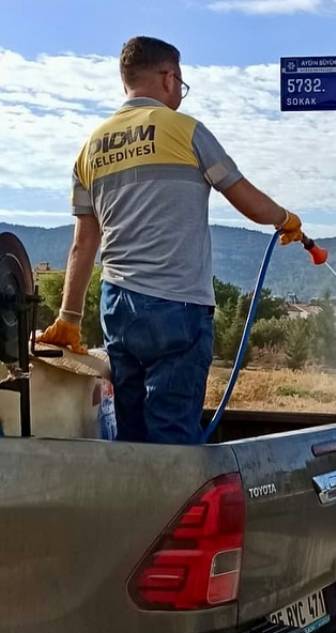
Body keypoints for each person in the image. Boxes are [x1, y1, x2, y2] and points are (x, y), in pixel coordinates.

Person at [39, 36, 304, 444]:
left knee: (132, 431)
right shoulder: (187, 131)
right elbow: (244, 196)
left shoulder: (89, 149)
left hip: (119, 309)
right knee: (173, 435)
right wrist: (286, 219)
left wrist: (69, 319)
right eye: (180, 82)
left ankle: (132, 507)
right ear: (168, 77)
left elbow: (83, 244)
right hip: (177, 307)